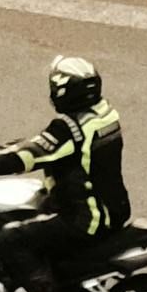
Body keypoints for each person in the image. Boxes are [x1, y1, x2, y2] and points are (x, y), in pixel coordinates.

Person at [21, 54, 128, 270]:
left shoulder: (68, 128)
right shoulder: (104, 115)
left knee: (10, 239)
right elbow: (47, 145)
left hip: (86, 220)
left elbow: (30, 155)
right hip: (113, 211)